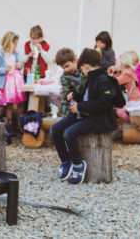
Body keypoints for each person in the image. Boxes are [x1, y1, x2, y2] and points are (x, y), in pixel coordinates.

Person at [50, 48, 117, 185]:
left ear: (84, 66)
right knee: (55, 129)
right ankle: (65, 161)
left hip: (93, 117)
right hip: (80, 113)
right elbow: (82, 93)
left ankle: (78, 164)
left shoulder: (100, 78)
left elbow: (104, 102)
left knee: (69, 133)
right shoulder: (88, 77)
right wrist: (74, 96)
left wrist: (80, 105)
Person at [0, 31, 26, 138]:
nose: (16, 46)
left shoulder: (16, 53)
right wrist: (4, 69)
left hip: (16, 81)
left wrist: (20, 66)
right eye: (14, 44)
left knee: (20, 104)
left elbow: (20, 65)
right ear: (8, 43)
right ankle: (9, 125)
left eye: (16, 44)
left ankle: (20, 124)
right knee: (9, 105)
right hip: (6, 83)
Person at [113, 52, 140, 125]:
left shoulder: (126, 74)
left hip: (134, 100)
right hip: (136, 99)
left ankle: (131, 125)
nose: (114, 65)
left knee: (119, 111)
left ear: (121, 64)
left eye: (115, 63)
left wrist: (110, 73)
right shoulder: (129, 72)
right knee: (116, 109)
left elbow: (115, 82)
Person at [55, 48, 86, 118]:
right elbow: (65, 98)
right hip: (73, 110)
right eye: (63, 68)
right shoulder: (65, 76)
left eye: (67, 66)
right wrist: (65, 117)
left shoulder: (85, 72)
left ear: (75, 60)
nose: (66, 70)